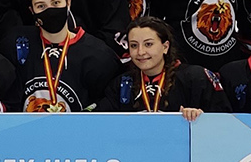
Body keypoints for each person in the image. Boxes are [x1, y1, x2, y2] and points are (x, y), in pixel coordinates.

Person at [3, 0, 121, 111]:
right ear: (32, 11)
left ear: (68, 3)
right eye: (41, 6)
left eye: (56, 3)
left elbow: (110, 106)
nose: (50, 10)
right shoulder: (17, 42)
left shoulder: (98, 55)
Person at [96, 15, 224, 119]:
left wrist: (202, 118)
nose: (140, 52)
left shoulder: (196, 78)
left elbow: (225, 121)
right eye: (134, 45)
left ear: (165, 46)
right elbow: (99, 120)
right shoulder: (121, 84)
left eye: (148, 44)